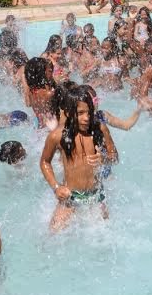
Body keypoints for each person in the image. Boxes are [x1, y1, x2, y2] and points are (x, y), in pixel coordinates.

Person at [40, 85, 118, 230]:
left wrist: (105, 159)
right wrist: (56, 187)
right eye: (80, 113)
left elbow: (114, 157)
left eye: (89, 112)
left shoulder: (100, 129)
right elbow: (45, 162)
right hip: (71, 197)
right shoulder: (57, 136)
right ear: (69, 112)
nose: (86, 118)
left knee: (107, 237)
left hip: (96, 196)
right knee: (52, 237)